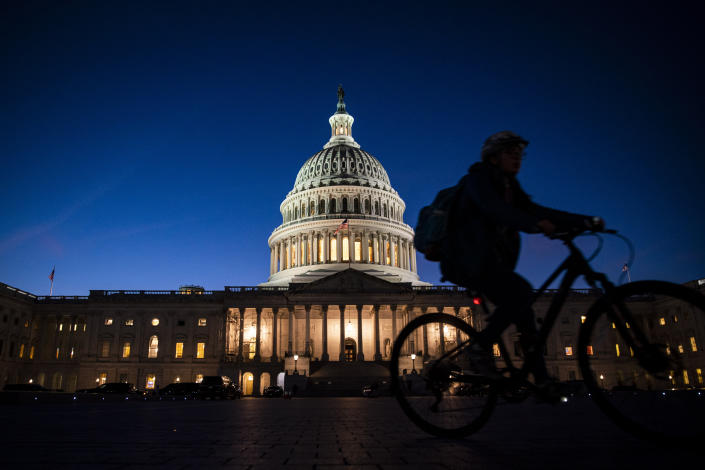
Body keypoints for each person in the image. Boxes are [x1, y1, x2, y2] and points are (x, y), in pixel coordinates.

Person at [440, 131, 603, 388]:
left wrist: (584, 221)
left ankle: (541, 379)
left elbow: (535, 210)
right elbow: (496, 210)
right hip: (465, 257)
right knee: (521, 292)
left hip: (487, 259)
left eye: (520, 154)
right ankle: (480, 348)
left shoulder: (508, 186)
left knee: (524, 309)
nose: (517, 158)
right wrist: (534, 223)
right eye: (511, 153)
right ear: (494, 157)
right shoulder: (478, 180)